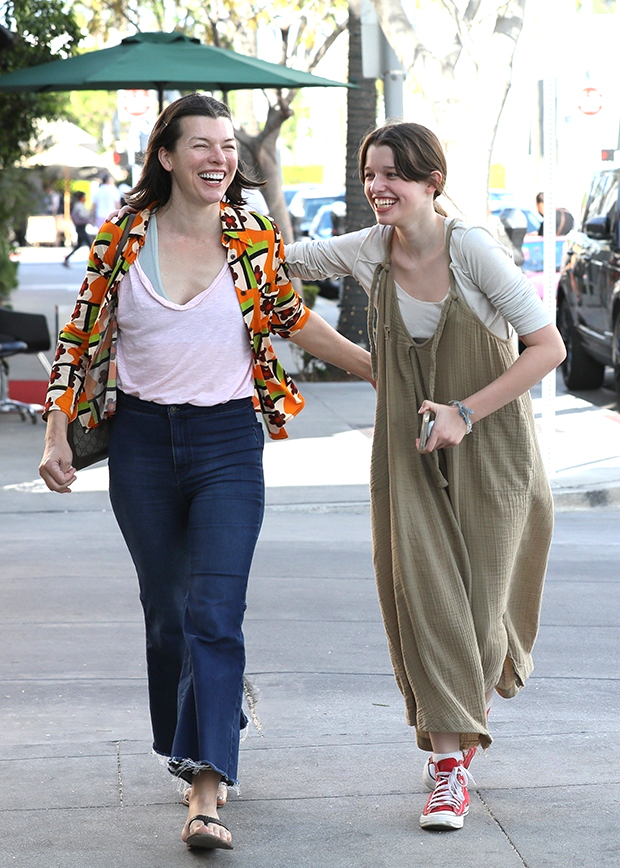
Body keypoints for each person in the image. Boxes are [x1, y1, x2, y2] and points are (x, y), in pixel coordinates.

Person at [38, 93, 372, 852]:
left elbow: (290, 315)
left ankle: (206, 787)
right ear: (165, 156)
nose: (221, 157)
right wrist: (57, 430)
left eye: (228, 146)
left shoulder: (249, 233)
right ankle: (204, 724)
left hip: (227, 439)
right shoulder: (124, 237)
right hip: (143, 444)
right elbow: (81, 337)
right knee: (168, 616)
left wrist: (370, 366)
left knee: (213, 613)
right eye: (203, 145)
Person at [285, 121, 566, 831]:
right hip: (408, 449)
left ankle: (461, 724)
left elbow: (548, 346)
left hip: (489, 442)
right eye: (370, 175)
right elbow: (282, 261)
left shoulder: (469, 248)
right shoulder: (371, 250)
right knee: (427, 597)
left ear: (431, 182)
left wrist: (463, 414)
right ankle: (449, 769)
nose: (379, 187)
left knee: (483, 617)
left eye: (394, 176)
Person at [62, 191, 92, 267]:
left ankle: (67, 258)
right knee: (90, 244)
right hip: (81, 228)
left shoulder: (78, 205)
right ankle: (91, 261)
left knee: (79, 245)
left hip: (80, 228)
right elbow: (83, 215)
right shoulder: (79, 206)